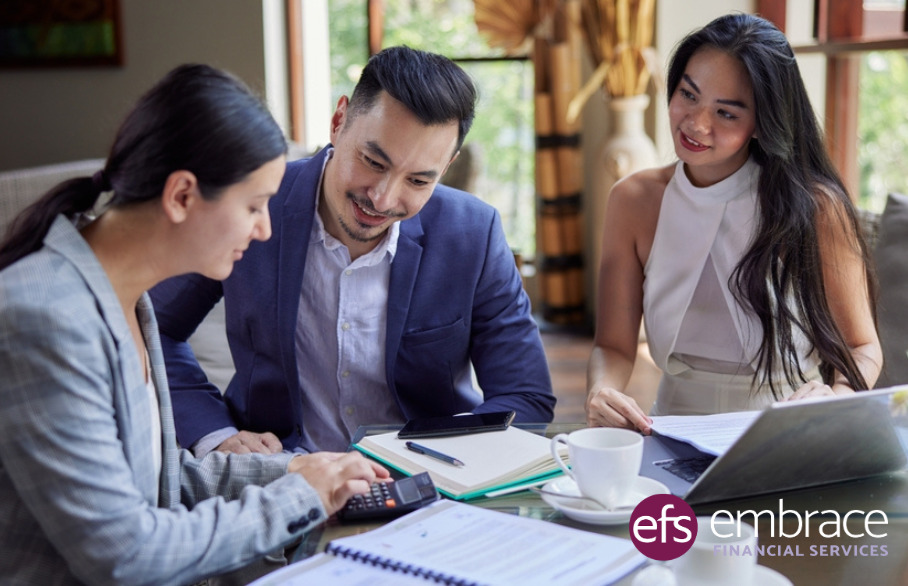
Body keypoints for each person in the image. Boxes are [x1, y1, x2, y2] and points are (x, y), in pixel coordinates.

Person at [0, 64, 387, 585]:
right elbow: (126, 555)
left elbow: (155, 479)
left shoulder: (124, 299)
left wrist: (297, 469)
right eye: (253, 205)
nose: (265, 228)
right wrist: (302, 496)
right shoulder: (43, 319)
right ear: (182, 195)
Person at [150, 46, 555, 457]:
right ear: (339, 121)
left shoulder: (473, 232)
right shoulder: (254, 203)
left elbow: (525, 396)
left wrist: (447, 457)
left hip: (427, 483)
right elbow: (153, 328)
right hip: (284, 474)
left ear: (445, 168)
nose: (382, 198)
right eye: (373, 162)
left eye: (417, 180)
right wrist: (216, 434)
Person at [586, 13, 882, 433]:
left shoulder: (815, 207)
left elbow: (862, 345)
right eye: (689, 95)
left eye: (726, 113)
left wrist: (835, 396)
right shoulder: (633, 200)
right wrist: (601, 391)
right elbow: (613, 346)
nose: (696, 123)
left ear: (763, 123)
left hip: (789, 426)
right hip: (672, 426)